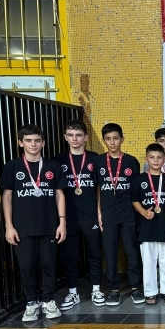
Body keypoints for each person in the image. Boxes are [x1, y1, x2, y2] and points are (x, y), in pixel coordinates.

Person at [0, 124, 67, 322]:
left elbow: (59, 195)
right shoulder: (12, 167)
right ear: (20, 143)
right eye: (28, 140)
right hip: (22, 227)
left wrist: (62, 222)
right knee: (27, 266)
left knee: (48, 265)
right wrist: (9, 226)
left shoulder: (52, 166)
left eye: (37, 140)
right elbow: (7, 197)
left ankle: (48, 300)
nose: (33, 144)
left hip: (49, 225)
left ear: (43, 143)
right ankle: (31, 303)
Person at [53, 120, 102, 310]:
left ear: (86, 137)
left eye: (79, 135)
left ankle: (96, 289)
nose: (75, 139)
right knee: (70, 257)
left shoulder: (95, 159)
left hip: (90, 215)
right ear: (65, 137)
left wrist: (99, 212)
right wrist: (60, 219)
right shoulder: (58, 160)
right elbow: (56, 192)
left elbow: (100, 188)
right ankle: (73, 293)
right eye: (71, 135)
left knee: (95, 254)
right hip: (68, 217)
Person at [94, 123, 142, 306]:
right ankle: (114, 290)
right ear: (104, 140)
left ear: (122, 139)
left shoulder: (131, 161)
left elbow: (136, 190)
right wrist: (99, 211)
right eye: (108, 139)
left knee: (132, 251)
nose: (112, 142)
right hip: (108, 214)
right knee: (110, 253)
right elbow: (99, 187)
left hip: (128, 213)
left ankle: (136, 288)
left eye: (115, 138)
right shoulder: (98, 162)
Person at [131, 143, 165, 305]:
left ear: (164, 160)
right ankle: (150, 292)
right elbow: (134, 200)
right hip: (146, 227)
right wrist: (143, 212)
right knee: (148, 262)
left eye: (159, 157)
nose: (155, 160)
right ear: (146, 159)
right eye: (152, 157)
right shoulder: (139, 179)